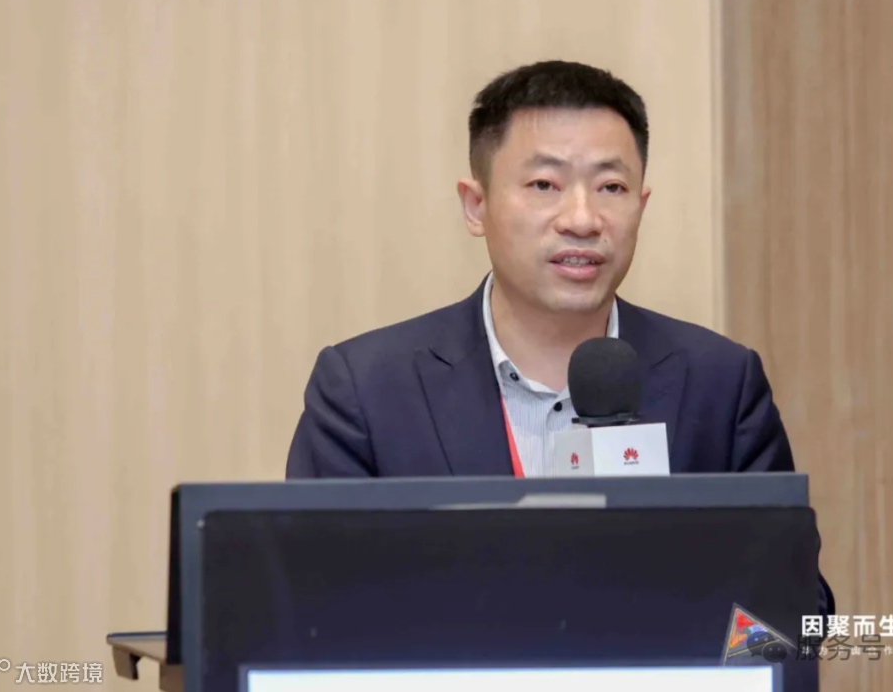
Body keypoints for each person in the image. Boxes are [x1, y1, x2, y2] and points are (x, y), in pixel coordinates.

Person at [285, 60, 833, 616]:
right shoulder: (367, 391)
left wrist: (683, 646)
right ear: (476, 206)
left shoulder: (720, 384)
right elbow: (315, 611)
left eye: (611, 187)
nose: (582, 219)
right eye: (544, 185)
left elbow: (794, 616)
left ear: (640, 206)